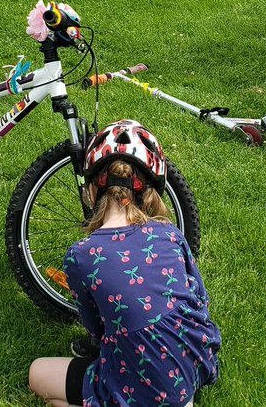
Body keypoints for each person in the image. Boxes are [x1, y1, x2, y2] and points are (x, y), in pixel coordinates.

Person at [29, 120, 221, 407]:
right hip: (196, 362)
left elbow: (97, 331)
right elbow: (198, 299)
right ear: (148, 190)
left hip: (144, 382)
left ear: (92, 190)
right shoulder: (170, 232)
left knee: (37, 373)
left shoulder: (81, 256)